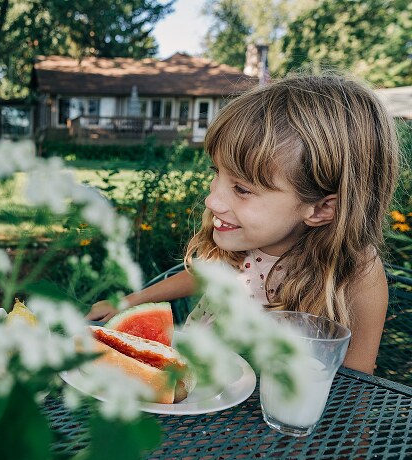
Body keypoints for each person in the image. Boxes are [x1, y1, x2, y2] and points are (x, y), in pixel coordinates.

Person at [87, 73, 399, 374]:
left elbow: (359, 384)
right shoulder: (243, 238)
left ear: (320, 209)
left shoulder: (357, 273)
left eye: (242, 189)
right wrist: (130, 301)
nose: (211, 201)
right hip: (193, 383)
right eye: (216, 173)